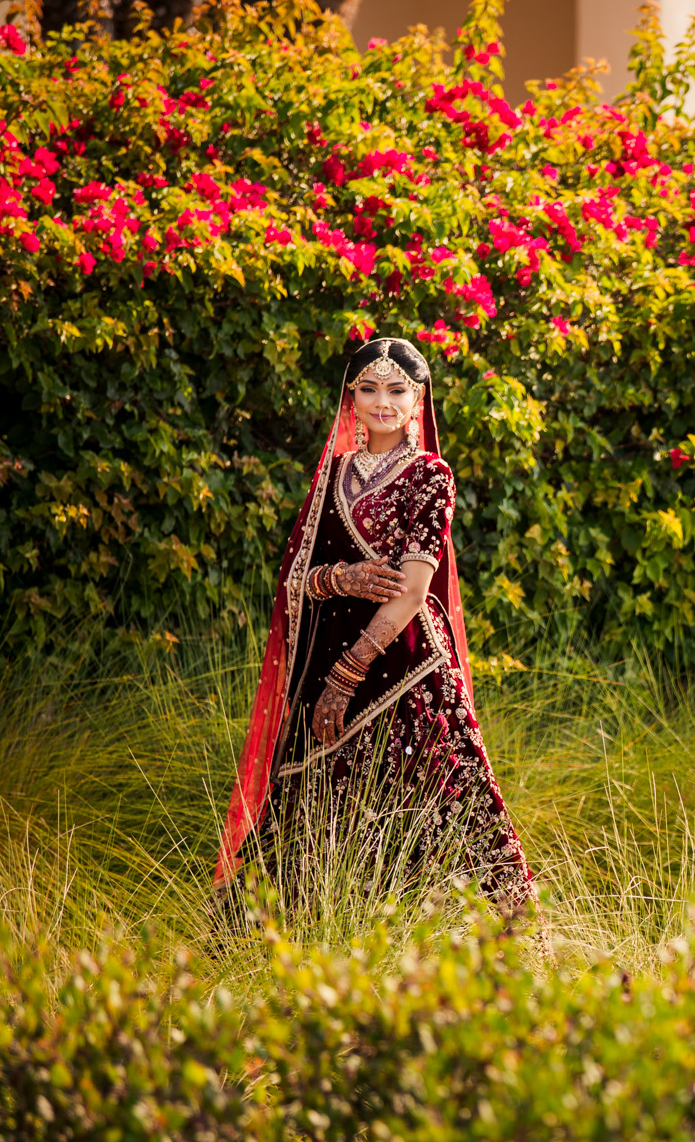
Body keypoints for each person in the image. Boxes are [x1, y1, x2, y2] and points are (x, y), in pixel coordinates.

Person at [218, 337, 530, 909]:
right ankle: (304, 943)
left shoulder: (431, 476)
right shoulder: (331, 477)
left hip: (403, 669)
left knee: (423, 801)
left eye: (397, 390)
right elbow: (292, 580)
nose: (381, 402)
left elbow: (413, 590)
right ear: (351, 398)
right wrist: (340, 579)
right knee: (316, 809)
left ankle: (455, 946)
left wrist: (348, 671)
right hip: (322, 660)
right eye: (368, 389)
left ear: (418, 401)